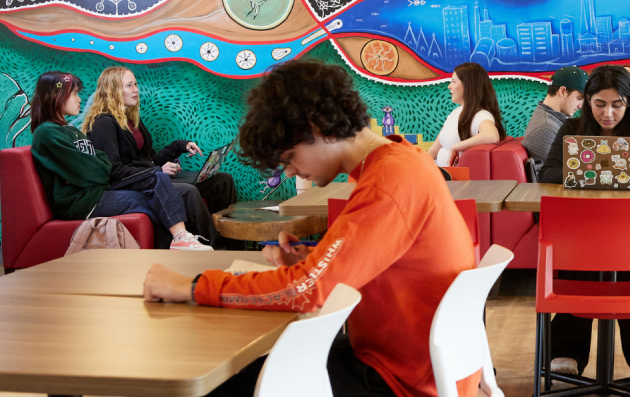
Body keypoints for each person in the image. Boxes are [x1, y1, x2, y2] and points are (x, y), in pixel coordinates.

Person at [141, 59, 478, 397]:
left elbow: (305, 291)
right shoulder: (401, 160)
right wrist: (316, 257)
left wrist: (192, 286)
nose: (290, 172)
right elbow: (387, 261)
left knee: (216, 386)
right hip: (410, 362)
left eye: (289, 157)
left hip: (399, 381)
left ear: (317, 128)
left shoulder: (386, 182)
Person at [538, 65, 630, 380]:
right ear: (587, 101)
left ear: (629, 103)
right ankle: (567, 352)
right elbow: (547, 173)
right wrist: (607, 174)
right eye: (599, 104)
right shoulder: (572, 127)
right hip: (581, 232)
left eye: (617, 104)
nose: (608, 113)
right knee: (584, 260)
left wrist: (610, 175)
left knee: (629, 263)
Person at [28, 71, 211, 251]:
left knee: (156, 192)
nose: (79, 99)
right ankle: (180, 239)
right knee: (156, 183)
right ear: (56, 96)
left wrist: (97, 165)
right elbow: (91, 171)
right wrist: (98, 166)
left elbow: (99, 161)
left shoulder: (69, 130)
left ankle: (179, 244)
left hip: (96, 194)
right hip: (83, 203)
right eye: (74, 94)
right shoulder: (47, 133)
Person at [82, 66, 228, 248]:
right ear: (113, 91)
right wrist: (156, 171)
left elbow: (149, 158)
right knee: (188, 192)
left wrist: (179, 146)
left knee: (222, 180)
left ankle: (234, 245)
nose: (136, 89)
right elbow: (114, 171)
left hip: (152, 176)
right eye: (129, 85)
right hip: (134, 184)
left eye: (135, 84)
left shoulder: (130, 118)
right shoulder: (102, 123)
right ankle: (217, 249)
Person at [427, 62, 506, 167]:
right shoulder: (455, 112)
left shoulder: (481, 115)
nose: (449, 86)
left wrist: (455, 147)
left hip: (450, 179)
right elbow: (433, 152)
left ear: (468, 86)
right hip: (435, 173)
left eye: (454, 82)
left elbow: (492, 135)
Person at [521, 66, 588, 161]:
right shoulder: (546, 127)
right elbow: (567, 169)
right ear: (562, 91)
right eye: (579, 99)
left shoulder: (552, 119)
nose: (580, 106)